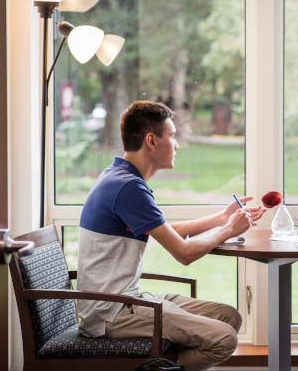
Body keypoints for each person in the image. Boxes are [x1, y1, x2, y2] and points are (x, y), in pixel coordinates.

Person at [76, 100, 266, 371]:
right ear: (152, 141)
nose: (177, 144)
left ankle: (160, 364)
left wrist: (222, 218)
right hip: (112, 313)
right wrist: (229, 230)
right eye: (173, 136)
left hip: (128, 300)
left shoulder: (120, 178)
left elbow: (165, 232)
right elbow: (184, 254)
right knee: (224, 339)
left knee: (228, 316)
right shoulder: (128, 188)